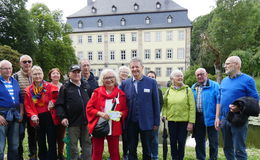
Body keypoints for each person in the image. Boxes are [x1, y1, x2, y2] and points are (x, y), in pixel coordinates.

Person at [215, 56, 259, 160]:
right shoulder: (224, 80)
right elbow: (219, 98)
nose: (225, 66)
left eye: (228, 63)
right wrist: (217, 117)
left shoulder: (248, 80)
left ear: (237, 65)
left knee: (239, 150)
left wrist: (239, 108)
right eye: (225, 64)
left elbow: (255, 101)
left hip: (238, 119)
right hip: (224, 119)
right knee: (227, 148)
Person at [120, 58, 160, 160]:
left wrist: (156, 122)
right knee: (132, 150)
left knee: (147, 150)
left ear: (142, 68)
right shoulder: (125, 84)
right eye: (132, 67)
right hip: (131, 123)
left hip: (147, 122)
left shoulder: (151, 82)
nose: (135, 69)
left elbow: (156, 103)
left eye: (137, 67)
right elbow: (119, 101)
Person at [87, 69, 128, 160]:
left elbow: (125, 111)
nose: (109, 80)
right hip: (99, 126)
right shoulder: (96, 92)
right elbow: (89, 109)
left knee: (114, 153)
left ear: (115, 79)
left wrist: (118, 114)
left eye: (111, 77)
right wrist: (100, 113)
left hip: (114, 126)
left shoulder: (121, 94)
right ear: (102, 80)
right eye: (106, 78)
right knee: (97, 152)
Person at [56, 64, 92, 160]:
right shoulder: (65, 87)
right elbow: (59, 105)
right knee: (73, 146)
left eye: (78, 72)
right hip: (72, 122)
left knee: (87, 145)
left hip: (86, 121)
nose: (76, 74)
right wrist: (63, 117)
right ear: (69, 74)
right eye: (74, 72)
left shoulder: (86, 85)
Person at [24, 65, 59, 160]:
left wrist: (53, 102)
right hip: (37, 117)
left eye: (39, 74)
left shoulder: (50, 86)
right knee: (40, 140)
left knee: (52, 139)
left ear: (43, 75)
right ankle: (43, 157)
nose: (37, 76)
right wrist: (32, 115)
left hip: (49, 116)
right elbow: (27, 105)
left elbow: (57, 98)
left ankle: (52, 158)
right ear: (31, 75)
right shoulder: (29, 90)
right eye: (35, 74)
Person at [162, 69, 195, 160]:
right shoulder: (168, 91)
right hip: (172, 121)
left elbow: (192, 107)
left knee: (181, 142)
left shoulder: (188, 90)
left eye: (181, 76)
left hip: (184, 122)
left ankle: (180, 158)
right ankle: (174, 158)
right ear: (172, 79)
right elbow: (164, 105)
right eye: (177, 76)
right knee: (172, 142)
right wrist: (164, 114)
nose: (180, 77)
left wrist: (191, 122)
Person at [191, 68, 219, 160]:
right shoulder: (193, 87)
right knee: (199, 141)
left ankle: (213, 158)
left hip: (212, 117)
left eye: (201, 74)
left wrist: (218, 117)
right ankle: (200, 158)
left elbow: (219, 102)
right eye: (197, 75)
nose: (199, 76)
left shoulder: (215, 86)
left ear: (206, 74)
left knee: (213, 142)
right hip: (198, 117)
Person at [13, 55, 37, 160]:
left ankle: (33, 155)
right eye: (24, 62)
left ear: (31, 63)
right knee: (20, 134)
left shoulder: (36, 75)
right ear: (20, 64)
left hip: (34, 110)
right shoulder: (15, 77)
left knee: (33, 134)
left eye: (29, 61)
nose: (27, 63)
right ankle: (19, 155)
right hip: (20, 110)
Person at [0, 60, 22, 160]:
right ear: (0, 70)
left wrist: (21, 113)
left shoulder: (15, 81)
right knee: (0, 146)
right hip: (2, 116)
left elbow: (20, 99)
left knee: (14, 145)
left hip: (15, 116)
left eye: (10, 68)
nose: (8, 70)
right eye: (5, 68)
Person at [147, 71, 163, 160]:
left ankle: (155, 156)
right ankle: (148, 155)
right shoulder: (143, 88)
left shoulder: (158, 91)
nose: (151, 78)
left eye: (152, 77)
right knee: (146, 140)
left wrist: (155, 116)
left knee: (155, 139)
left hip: (154, 120)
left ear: (155, 79)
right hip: (145, 119)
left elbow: (160, 104)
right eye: (149, 76)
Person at [48, 68, 64, 160]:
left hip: (61, 114)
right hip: (50, 114)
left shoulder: (63, 86)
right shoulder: (47, 86)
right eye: (53, 73)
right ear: (50, 76)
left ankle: (60, 154)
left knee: (61, 136)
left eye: (57, 73)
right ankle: (52, 154)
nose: (55, 75)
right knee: (52, 135)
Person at [118, 65, 130, 160]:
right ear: (119, 73)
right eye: (123, 72)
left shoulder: (129, 83)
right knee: (114, 135)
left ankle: (125, 153)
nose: (124, 74)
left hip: (126, 113)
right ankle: (113, 153)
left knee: (126, 135)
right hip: (115, 112)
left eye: (126, 72)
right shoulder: (115, 83)